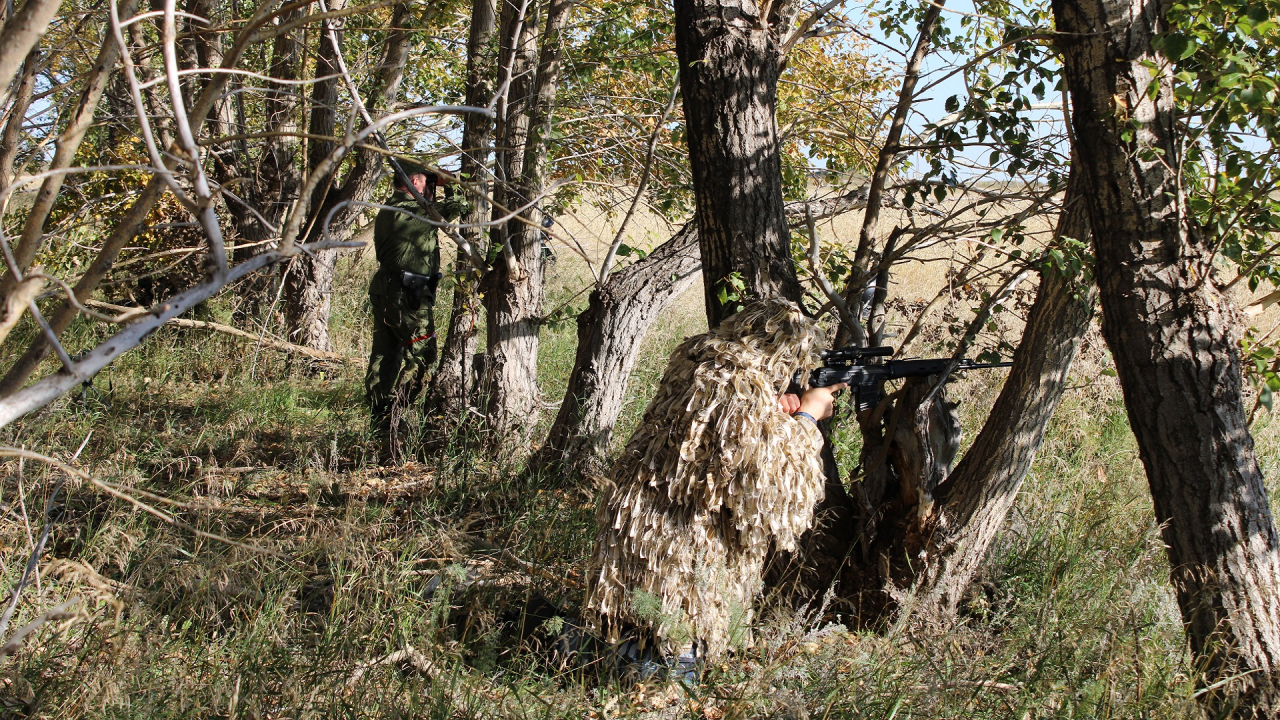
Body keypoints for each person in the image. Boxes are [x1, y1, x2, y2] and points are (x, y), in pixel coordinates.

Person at [583, 299, 845, 677]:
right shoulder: (737, 384)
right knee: (667, 665)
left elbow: (730, 436)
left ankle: (609, 665)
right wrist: (808, 416)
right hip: (681, 554)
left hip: (645, 535)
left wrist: (774, 409)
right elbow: (772, 492)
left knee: (631, 640)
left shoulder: (703, 363)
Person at [365, 162, 468, 461]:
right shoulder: (409, 211)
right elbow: (455, 207)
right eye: (429, 184)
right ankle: (395, 418)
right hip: (407, 296)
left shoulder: (392, 208)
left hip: (389, 291)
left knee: (385, 357)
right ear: (414, 181)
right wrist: (453, 183)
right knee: (423, 356)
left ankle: (379, 422)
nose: (432, 191)